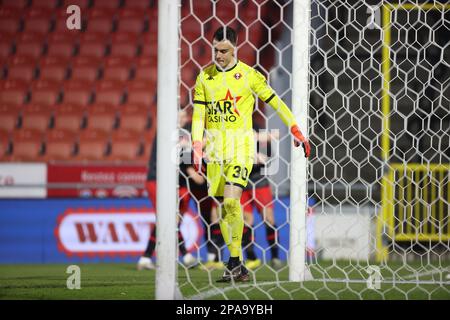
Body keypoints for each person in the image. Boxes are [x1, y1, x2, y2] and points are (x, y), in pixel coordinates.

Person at [191, 26, 310, 283]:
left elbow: (276, 101)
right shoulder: (204, 78)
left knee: (233, 201)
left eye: (224, 50)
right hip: (215, 153)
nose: (219, 55)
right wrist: (197, 146)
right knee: (224, 209)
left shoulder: (249, 75)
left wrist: (295, 128)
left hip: (241, 150)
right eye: (215, 50)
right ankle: (236, 263)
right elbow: (199, 116)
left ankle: (235, 262)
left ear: (234, 48)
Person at [137, 112, 199, 270]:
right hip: (157, 180)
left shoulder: (184, 134)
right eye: (180, 115)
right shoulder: (167, 132)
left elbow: (185, 158)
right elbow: (180, 154)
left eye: (185, 116)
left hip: (174, 183)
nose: (183, 118)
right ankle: (185, 255)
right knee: (168, 218)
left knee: (172, 219)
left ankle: (146, 258)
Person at [241, 125, 283, 271]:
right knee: (246, 220)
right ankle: (251, 257)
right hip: (241, 181)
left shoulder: (260, 132)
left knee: (268, 218)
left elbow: (264, 159)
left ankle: (275, 257)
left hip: (260, 182)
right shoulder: (234, 132)